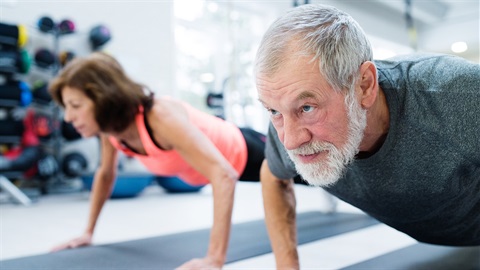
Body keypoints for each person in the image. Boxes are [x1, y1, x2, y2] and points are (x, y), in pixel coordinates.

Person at [254, 3, 480, 269]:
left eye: (307, 108)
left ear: (364, 86)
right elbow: (273, 176)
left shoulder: (457, 95)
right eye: (273, 111)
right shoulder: (288, 120)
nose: (290, 140)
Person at [47, 52, 266, 269]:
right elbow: (106, 173)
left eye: (75, 106)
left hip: (247, 150)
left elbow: (224, 174)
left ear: (103, 99)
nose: (68, 117)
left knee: (297, 178)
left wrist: (214, 260)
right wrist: (88, 232)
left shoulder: (159, 117)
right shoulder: (110, 129)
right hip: (228, 165)